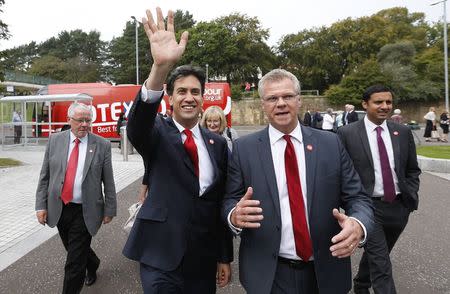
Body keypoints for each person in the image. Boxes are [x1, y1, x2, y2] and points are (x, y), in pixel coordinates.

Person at [222, 68, 374, 294]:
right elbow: (230, 199)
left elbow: (358, 197)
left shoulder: (331, 144)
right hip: (268, 273)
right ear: (263, 104)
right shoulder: (244, 149)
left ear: (299, 100)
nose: (281, 103)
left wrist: (358, 224)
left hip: (326, 269)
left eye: (288, 96)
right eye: (272, 98)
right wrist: (234, 215)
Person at [122, 7, 233, 293]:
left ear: (202, 99)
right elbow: (137, 126)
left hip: (203, 258)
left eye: (195, 92)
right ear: (169, 99)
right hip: (160, 255)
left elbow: (219, 202)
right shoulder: (157, 132)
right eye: (181, 91)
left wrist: (224, 256)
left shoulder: (217, 143)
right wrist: (160, 69)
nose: (189, 97)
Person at [337, 85, 421, 294]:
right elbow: (340, 172)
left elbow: (412, 169)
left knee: (379, 254)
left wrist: (410, 195)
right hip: (367, 208)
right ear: (365, 104)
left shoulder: (401, 132)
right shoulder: (347, 133)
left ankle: (362, 284)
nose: (385, 106)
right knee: (382, 263)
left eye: (388, 102)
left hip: (399, 207)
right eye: (378, 102)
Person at [35, 102, 117, 294]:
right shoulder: (55, 140)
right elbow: (44, 175)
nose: (85, 125)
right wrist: (41, 206)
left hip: (86, 209)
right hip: (60, 207)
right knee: (74, 249)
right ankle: (93, 262)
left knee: (73, 263)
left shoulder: (102, 144)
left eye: (88, 120)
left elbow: (109, 180)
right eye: (80, 120)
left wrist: (110, 209)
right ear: (69, 120)